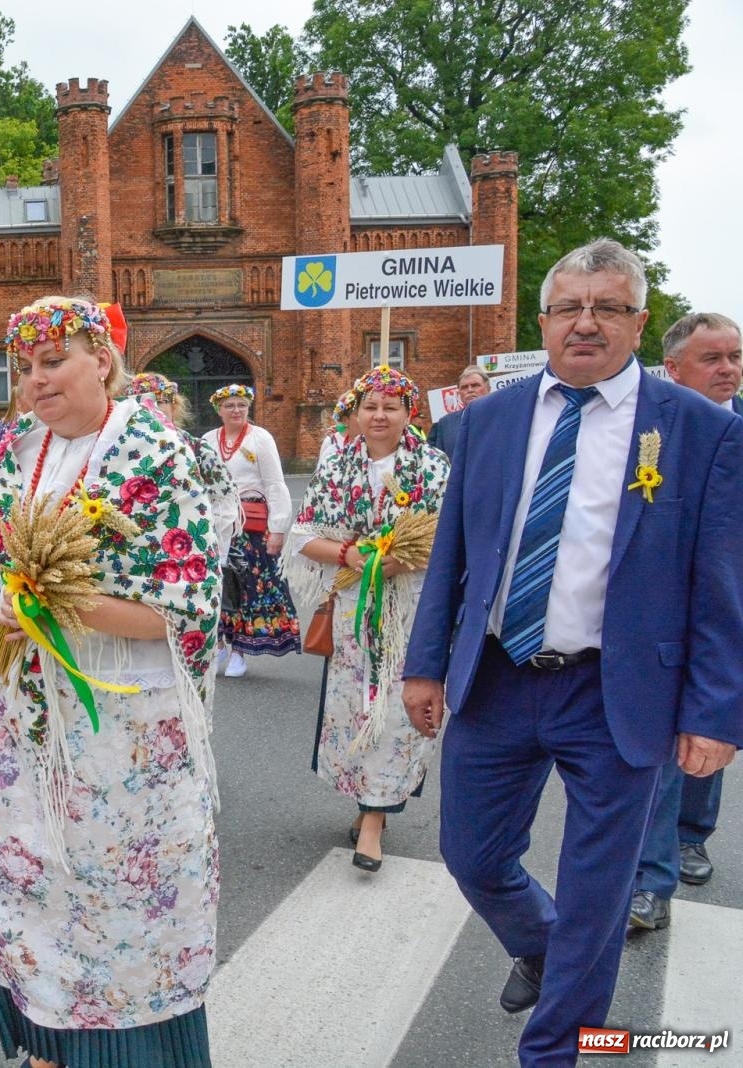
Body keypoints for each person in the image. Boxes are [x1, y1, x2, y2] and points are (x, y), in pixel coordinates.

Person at [402, 239, 743, 1067]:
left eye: (608, 308)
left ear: (637, 322)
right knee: (472, 856)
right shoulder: (482, 422)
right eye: (568, 307)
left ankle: (552, 1051)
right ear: (545, 320)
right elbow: (454, 551)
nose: (585, 323)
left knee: (599, 896)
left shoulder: (696, 432)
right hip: (498, 680)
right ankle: (547, 947)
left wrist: (714, 711)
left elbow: (720, 584)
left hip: (617, 692)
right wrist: (423, 664)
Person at [0, 296, 221, 1068]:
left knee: (117, 897)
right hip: (22, 713)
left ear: (101, 359)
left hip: (119, 728)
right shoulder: (14, 453)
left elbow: (182, 612)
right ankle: (48, 1036)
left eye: (53, 361)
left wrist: (53, 604)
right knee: (26, 879)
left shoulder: (158, 454)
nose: (35, 381)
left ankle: (128, 1052)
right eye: (26, 367)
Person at [283, 367, 449, 872]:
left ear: (408, 413)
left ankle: (375, 819)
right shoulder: (337, 467)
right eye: (370, 406)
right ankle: (368, 802)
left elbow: (451, 537)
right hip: (354, 607)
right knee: (357, 707)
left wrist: (402, 558)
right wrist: (349, 555)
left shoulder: (434, 468)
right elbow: (302, 536)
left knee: (398, 710)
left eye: (390, 406)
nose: (379, 415)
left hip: (412, 607)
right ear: (355, 414)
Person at [627, 311, 743, 928]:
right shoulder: (650, 436)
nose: (728, 370)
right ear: (673, 368)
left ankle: (693, 833)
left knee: (713, 729)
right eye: (712, 359)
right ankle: (651, 878)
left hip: (730, 613)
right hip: (667, 613)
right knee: (669, 742)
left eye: (735, 357)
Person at [206, 383, 298, 677]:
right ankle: (219, 644)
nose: (236, 410)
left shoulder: (260, 438)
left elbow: (274, 483)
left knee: (248, 588)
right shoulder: (208, 440)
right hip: (217, 524)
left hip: (251, 526)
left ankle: (240, 651)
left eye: (242, 406)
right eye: (230, 405)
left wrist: (279, 528)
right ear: (219, 410)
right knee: (219, 586)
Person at [127, 371, 241, 559]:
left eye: (160, 401)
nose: (151, 407)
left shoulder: (197, 449)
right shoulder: (117, 451)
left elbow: (224, 504)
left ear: (173, 406)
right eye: (141, 402)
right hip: (136, 555)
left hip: (187, 554)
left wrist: (208, 549)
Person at [428, 365, 492, 460]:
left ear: (488, 389)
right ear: (459, 393)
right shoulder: (445, 424)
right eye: (464, 387)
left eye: (475, 385)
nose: (470, 390)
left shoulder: (502, 419)